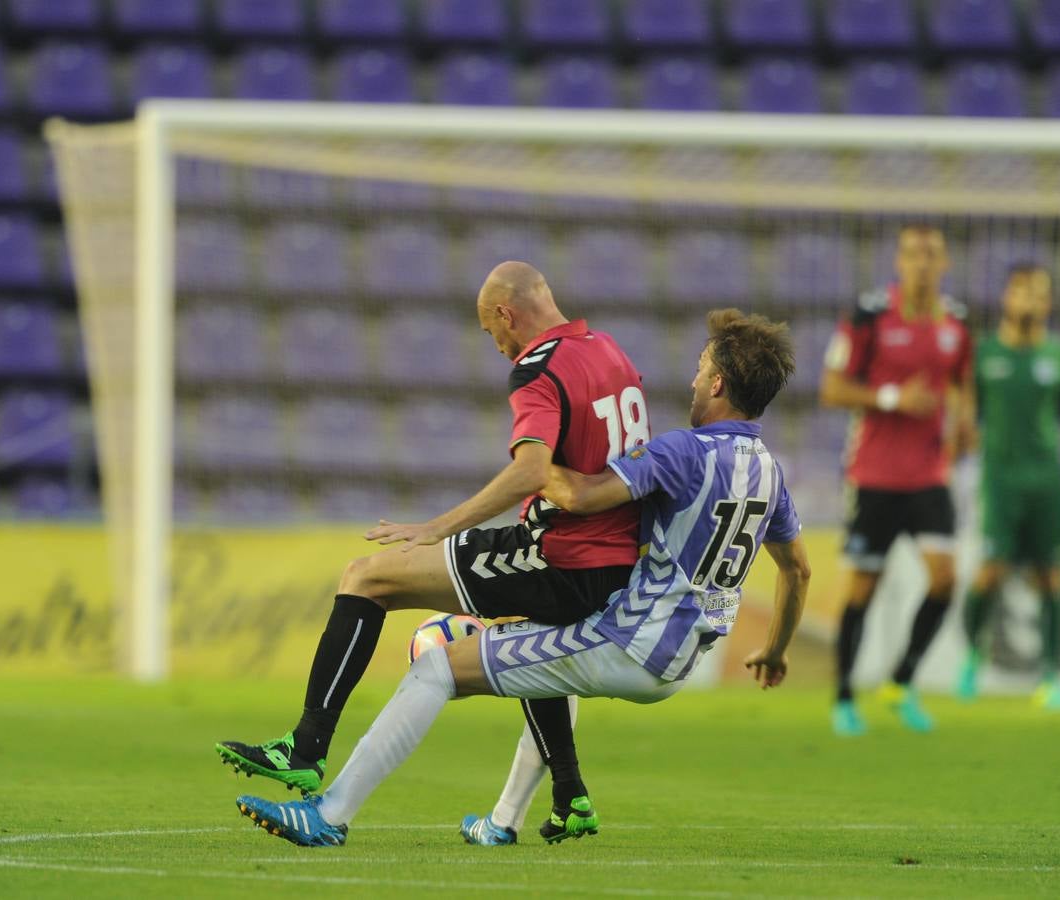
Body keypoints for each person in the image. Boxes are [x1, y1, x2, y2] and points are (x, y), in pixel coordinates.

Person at [233, 309, 811, 847]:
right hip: (680, 658)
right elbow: (798, 570)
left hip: (628, 644)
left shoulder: (683, 452)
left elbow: (582, 496)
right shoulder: (769, 474)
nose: (692, 381)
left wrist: (536, 463)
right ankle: (508, 818)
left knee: (436, 664)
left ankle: (328, 815)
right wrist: (775, 649)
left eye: (700, 369)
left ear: (717, 385)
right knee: (540, 638)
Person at [215, 261, 650, 824]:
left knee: (367, 576)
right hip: (614, 566)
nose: (495, 345)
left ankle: (304, 749)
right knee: (523, 637)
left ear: (504, 313)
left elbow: (530, 470)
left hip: (561, 556)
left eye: (489, 330)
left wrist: (436, 527)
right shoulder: (610, 350)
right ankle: (569, 792)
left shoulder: (538, 367)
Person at [820, 225, 974, 737]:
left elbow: (961, 385)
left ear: (945, 262)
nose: (923, 263)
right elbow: (832, 387)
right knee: (865, 586)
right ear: (899, 261)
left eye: (932, 254)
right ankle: (844, 697)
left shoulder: (956, 325)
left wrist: (965, 423)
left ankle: (902, 680)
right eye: (913, 254)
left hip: (929, 475)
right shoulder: (868, 317)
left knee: (946, 578)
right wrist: (892, 399)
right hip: (875, 476)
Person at [956, 264, 1060, 711]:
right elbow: (965, 415)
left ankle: (1050, 678)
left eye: (1038, 293)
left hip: (1049, 483)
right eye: (1021, 291)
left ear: (1048, 303)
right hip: (1000, 482)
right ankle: (972, 657)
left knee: (1051, 577)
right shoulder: (983, 353)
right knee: (990, 572)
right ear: (1007, 298)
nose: (1029, 300)